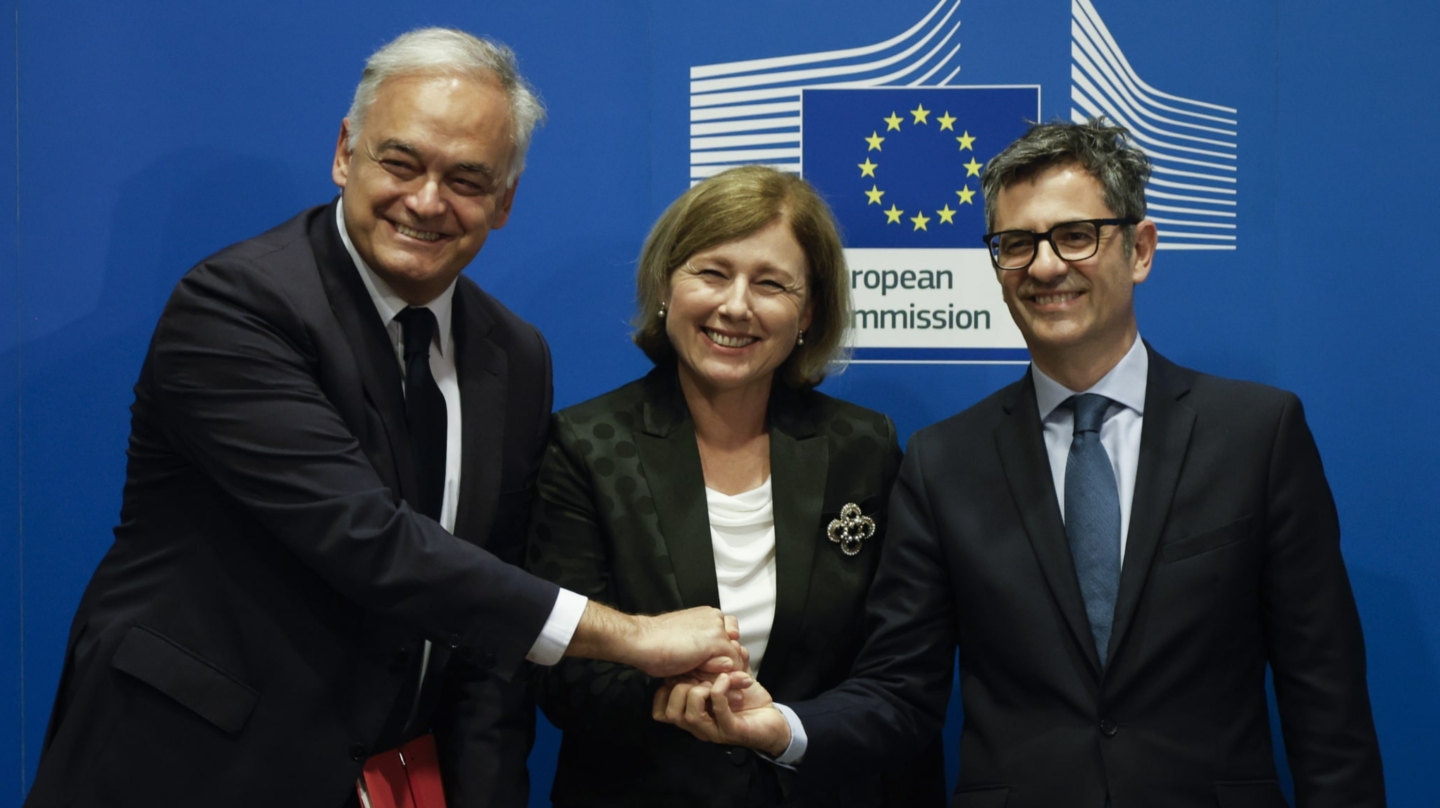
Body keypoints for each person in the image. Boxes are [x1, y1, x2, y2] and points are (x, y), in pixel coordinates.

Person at [26, 28, 743, 808]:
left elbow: (490, 620)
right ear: (345, 153)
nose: (427, 201)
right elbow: (369, 541)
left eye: (467, 179)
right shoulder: (235, 307)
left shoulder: (514, 354)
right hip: (184, 769)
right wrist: (633, 637)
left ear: (505, 201)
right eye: (400, 162)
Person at [657, 119, 1386, 807]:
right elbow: (900, 691)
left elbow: (1325, 696)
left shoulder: (1257, 433)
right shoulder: (945, 462)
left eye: (1075, 237)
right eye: (1016, 243)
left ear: (1139, 249)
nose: (1044, 266)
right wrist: (781, 726)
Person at [524, 165, 945, 807]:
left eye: (771, 283)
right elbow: (564, 670)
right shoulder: (586, 444)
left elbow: (898, 675)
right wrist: (682, 694)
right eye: (712, 273)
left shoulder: (865, 448)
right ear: (668, 284)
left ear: (808, 312)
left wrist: (784, 731)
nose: (736, 305)